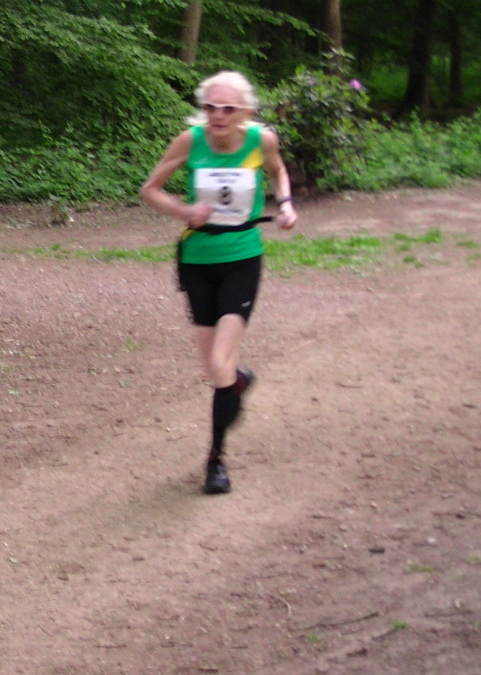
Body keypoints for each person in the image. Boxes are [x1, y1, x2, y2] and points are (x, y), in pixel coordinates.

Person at [139, 70, 298, 495]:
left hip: (242, 258)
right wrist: (183, 211)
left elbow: (278, 172)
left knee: (220, 363)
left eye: (228, 108)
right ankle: (236, 382)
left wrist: (285, 204)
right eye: (211, 107)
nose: (219, 115)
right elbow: (149, 189)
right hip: (197, 260)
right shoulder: (189, 141)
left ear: (244, 110)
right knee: (216, 370)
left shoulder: (261, 140)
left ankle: (216, 460)